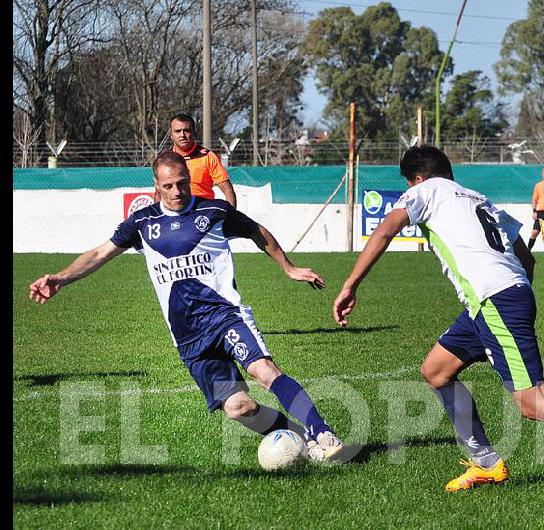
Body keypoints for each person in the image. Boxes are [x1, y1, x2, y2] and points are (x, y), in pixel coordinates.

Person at [332, 145, 544, 501]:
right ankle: (485, 461)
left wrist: (349, 285)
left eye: (410, 183)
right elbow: (525, 256)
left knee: (533, 401)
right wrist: (515, 297)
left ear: (418, 179)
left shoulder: (423, 192)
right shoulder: (478, 198)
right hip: (495, 300)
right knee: (436, 371)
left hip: (495, 301)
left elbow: (384, 230)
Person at [30, 151, 342, 461]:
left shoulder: (215, 212)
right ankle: (303, 439)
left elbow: (256, 231)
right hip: (189, 338)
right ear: (156, 185)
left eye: (182, 183)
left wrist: (287, 267)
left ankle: (321, 430)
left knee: (264, 371)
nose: (177, 191)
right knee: (238, 408)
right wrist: (61, 277)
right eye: (168, 186)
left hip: (225, 317)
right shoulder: (142, 222)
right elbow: (99, 254)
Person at [153, 113, 237, 208]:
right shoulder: (164, 160)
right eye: (177, 131)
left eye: (186, 131)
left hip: (202, 213)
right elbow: (158, 193)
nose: (182, 135)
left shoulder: (208, 157)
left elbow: (227, 189)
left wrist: (231, 217)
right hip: (175, 214)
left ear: (193, 133)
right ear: (171, 135)